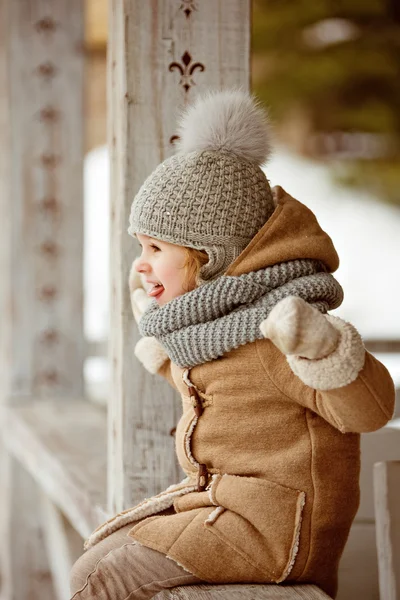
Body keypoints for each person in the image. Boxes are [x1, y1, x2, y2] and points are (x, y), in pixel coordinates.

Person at [70, 90, 395, 600]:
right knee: (96, 554)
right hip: (228, 507)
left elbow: (369, 410)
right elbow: (223, 388)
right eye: (140, 247)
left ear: (212, 257)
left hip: (276, 533)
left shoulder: (279, 334)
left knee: (101, 577)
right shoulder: (218, 325)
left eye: (155, 248)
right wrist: (163, 349)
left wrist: (326, 351)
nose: (141, 263)